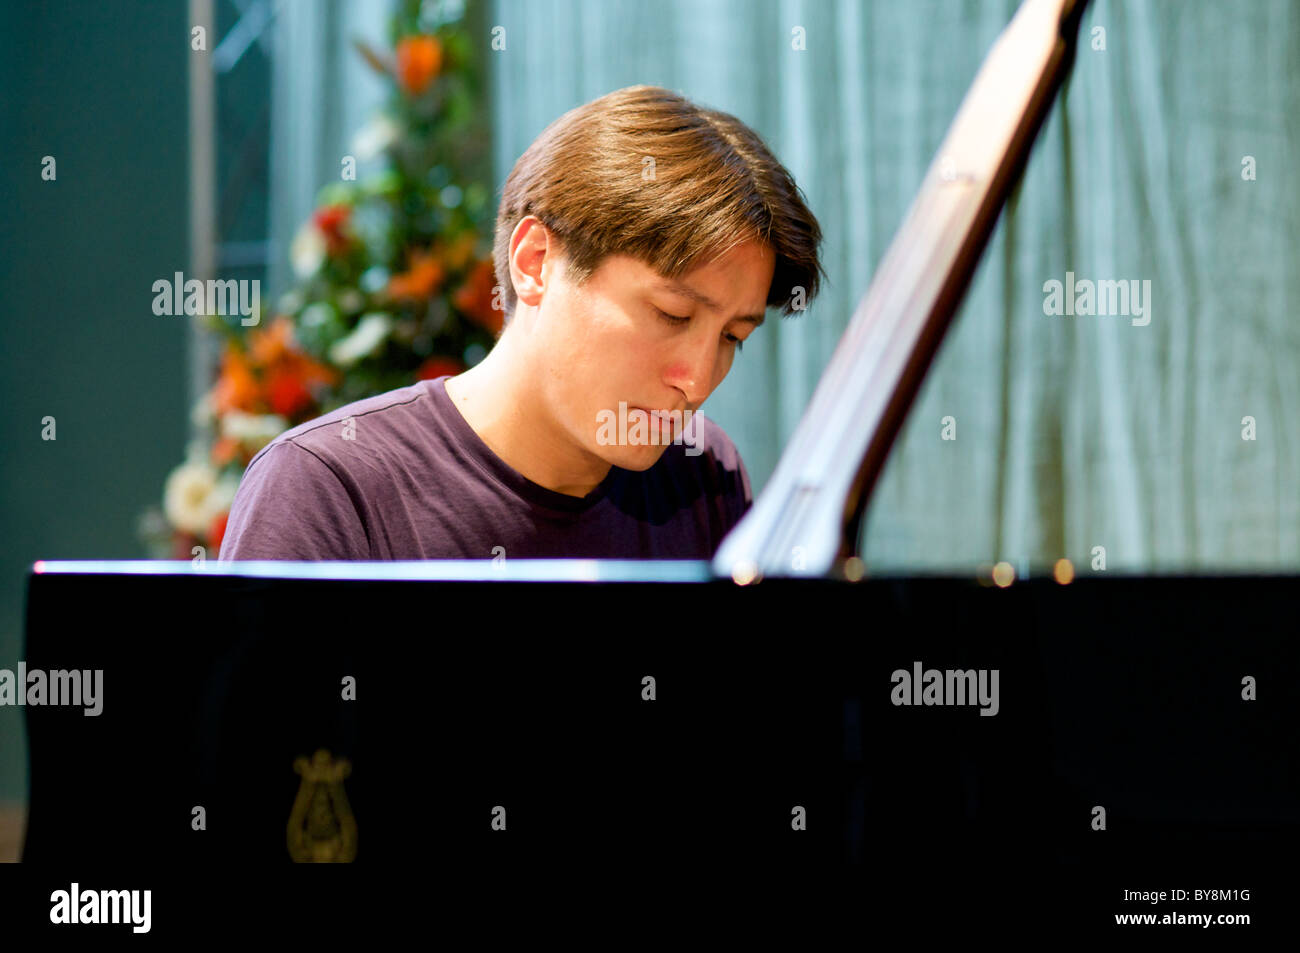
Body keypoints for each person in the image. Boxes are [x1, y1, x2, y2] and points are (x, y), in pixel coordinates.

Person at [218, 84, 824, 561]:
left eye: (732, 338)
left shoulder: (700, 475)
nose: (697, 380)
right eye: (672, 314)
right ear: (536, 262)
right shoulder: (329, 489)